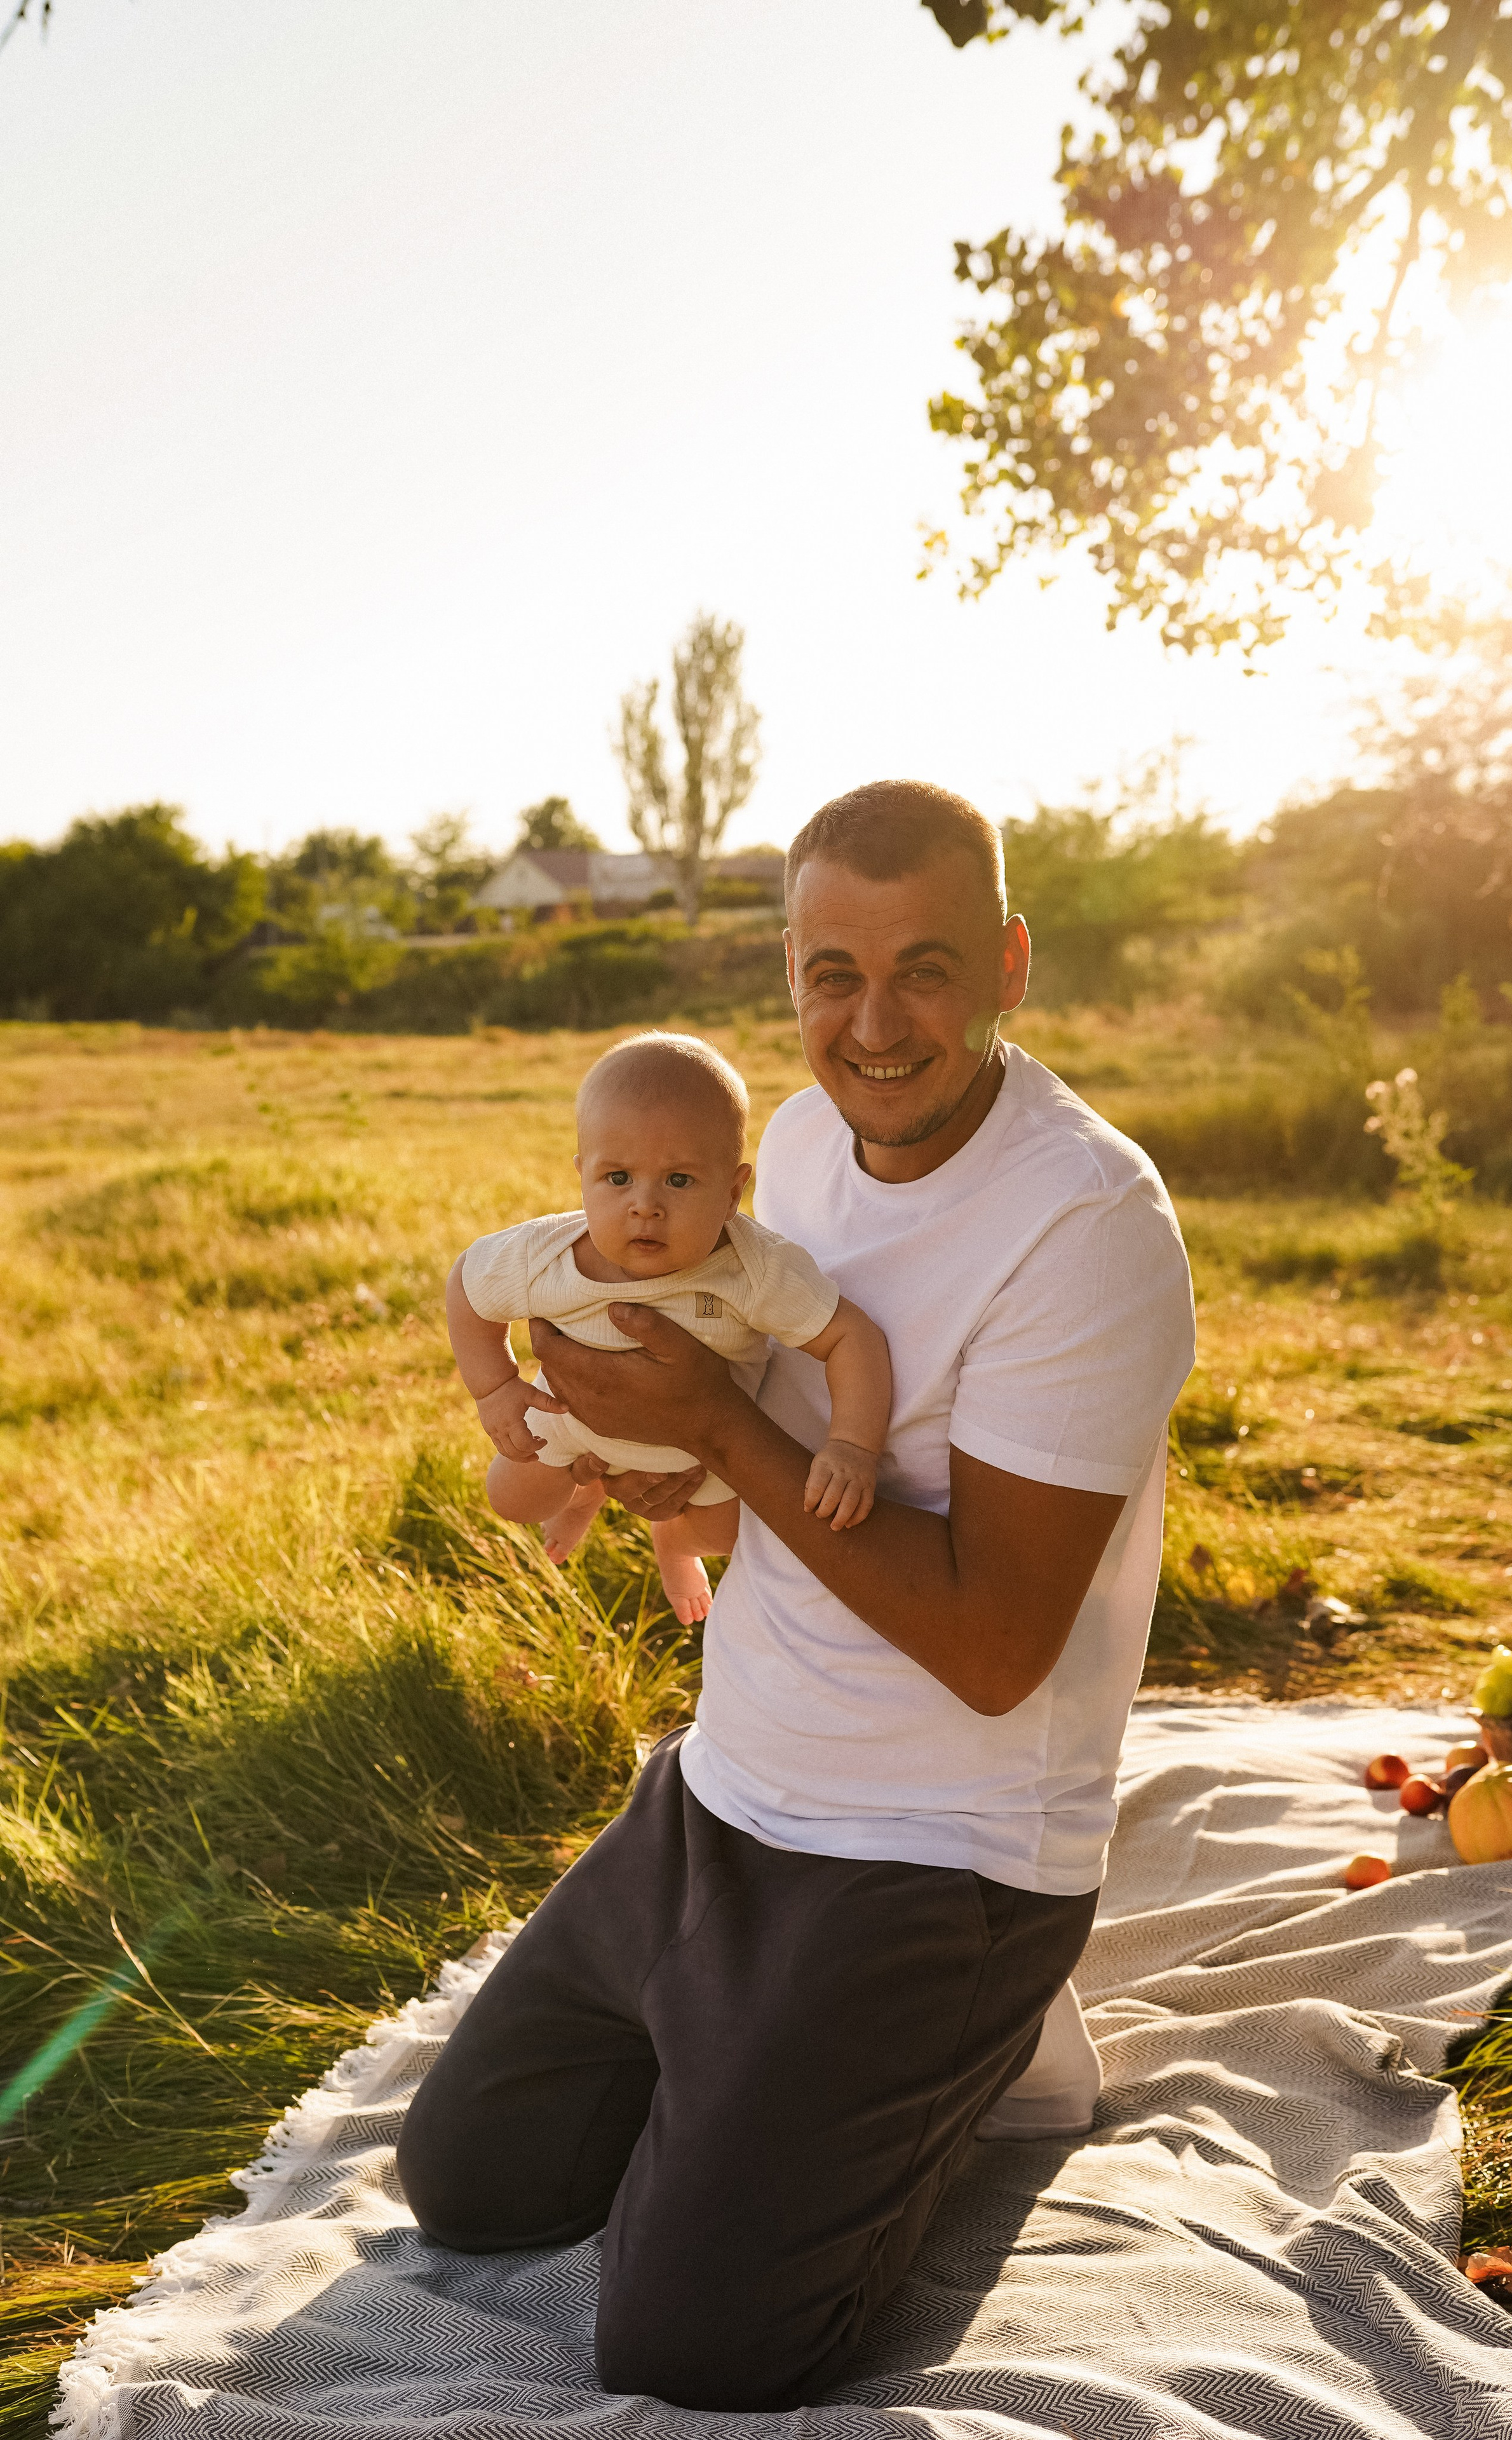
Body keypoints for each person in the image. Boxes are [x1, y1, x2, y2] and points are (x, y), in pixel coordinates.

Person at [398, 780, 1196, 2411]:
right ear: (787, 971)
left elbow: (989, 1647)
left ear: (1010, 964)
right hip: (724, 1791)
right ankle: (764, 2053)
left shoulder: (1088, 1225)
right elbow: (744, 1433)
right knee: (468, 2181)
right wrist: (658, 1468)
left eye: (925, 967)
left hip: (937, 1859)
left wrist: (714, 1426)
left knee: (697, 2344)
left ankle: (970, 2047)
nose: (875, 1021)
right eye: (833, 972)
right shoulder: (794, 1140)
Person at [444, 1030, 892, 1623]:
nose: (645, 1205)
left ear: (733, 1192)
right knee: (511, 1499)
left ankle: (674, 1544)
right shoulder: (546, 1255)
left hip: (700, 1455)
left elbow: (851, 1338)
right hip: (571, 1418)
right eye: (618, 1178)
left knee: (733, 1533)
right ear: (583, 1176)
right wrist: (495, 1386)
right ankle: (585, 1492)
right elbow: (466, 1286)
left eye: (679, 1181)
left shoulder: (751, 1270)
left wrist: (853, 1447)